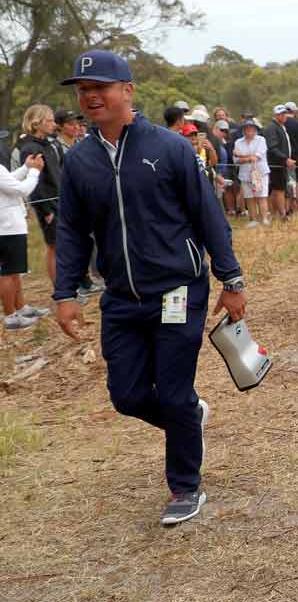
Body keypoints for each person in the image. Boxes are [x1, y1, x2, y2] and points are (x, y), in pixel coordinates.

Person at [53, 49, 246, 527]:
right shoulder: (79, 161)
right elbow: (73, 231)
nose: (90, 96)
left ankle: (185, 487)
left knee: (174, 390)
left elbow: (208, 216)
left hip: (178, 291)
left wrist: (232, 278)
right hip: (120, 298)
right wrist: (63, 295)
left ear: (127, 91)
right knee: (128, 395)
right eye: (83, 90)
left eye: (100, 87)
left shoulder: (171, 148)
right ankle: (188, 418)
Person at [0, 151, 49, 329]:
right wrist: (34, 171)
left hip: (9, 227)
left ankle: (21, 308)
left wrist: (25, 168)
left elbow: (8, 180)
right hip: (6, 228)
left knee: (14, 272)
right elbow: (22, 189)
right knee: (7, 273)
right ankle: (11, 316)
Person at [17, 105, 62, 285]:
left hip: (59, 201)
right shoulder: (31, 148)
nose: (54, 124)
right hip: (49, 206)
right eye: (50, 120)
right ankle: (60, 289)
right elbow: (35, 183)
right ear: (36, 123)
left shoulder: (48, 144)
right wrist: (45, 210)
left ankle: (66, 285)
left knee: (62, 247)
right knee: (54, 248)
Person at [233, 119, 270, 227]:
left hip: (260, 173)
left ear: (255, 129)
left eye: (251, 128)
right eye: (246, 128)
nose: (249, 130)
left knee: (262, 196)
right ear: (243, 130)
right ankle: (253, 219)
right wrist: (244, 158)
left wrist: (240, 156)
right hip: (245, 174)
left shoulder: (261, 140)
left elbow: (257, 157)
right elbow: (236, 161)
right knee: (249, 197)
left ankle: (264, 219)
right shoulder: (238, 142)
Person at [264, 104, 293, 220]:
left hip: (280, 163)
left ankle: (275, 213)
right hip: (276, 164)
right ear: (276, 115)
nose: (285, 116)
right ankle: (282, 214)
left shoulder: (280, 126)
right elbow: (272, 147)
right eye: (282, 114)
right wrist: (285, 159)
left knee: (278, 189)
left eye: (285, 113)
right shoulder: (272, 128)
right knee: (279, 189)